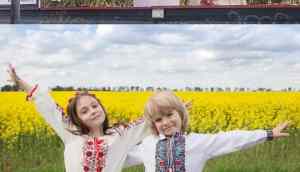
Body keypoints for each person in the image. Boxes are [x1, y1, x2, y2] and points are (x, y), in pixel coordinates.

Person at [7, 65, 150, 172]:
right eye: (84, 111)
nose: (93, 111)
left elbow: (149, 121)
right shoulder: (71, 134)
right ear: (77, 119)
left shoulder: (120, 134)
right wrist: (19, 81)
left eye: (95, 106)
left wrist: (168, 106)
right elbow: (48, 106)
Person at [125, 91, 289, 172]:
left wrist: (267, 133)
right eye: (159, 119)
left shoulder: (198, 142)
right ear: (153, 124)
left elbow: (232, 139)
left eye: (170, 114)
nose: (166, 122)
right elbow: (120, 158)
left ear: (181, 114)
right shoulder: (148, 144)